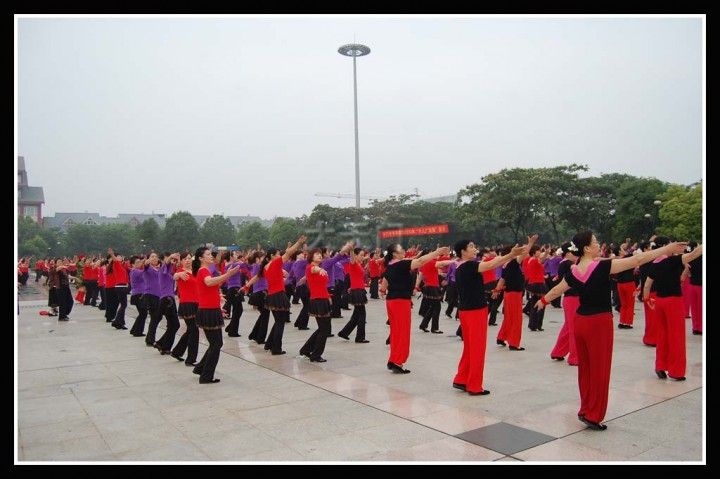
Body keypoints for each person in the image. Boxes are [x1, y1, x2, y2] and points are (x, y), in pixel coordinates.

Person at [537, 231, 688, 431]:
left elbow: (558, 290)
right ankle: (593, 415)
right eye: (595, 242)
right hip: (599, 323)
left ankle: (585, 409)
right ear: (586, 248)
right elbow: (638, 259)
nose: (598, 244)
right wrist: (666, 249)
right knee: (599, 369)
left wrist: (542, 301)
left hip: (581, 321)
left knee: (586, 369)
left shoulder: (574, 271)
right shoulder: (603, 266)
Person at [452, 240, 528, 395]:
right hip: (475, 312)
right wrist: (511, 254)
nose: (475, 249)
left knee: (470, 348)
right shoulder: (469, 266)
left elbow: (493, 263)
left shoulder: (459, 266)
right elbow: (493, 264)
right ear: (463, 251)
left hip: (466, 311)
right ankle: (474, 386)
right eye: (471, 247)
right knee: (477, 349)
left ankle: (461, 379)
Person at [381, 244, 451, 374]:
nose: (403, 250)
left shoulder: (390, 265)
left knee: (396, 331)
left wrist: (382, 290)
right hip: (400, 301)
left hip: (392, 301)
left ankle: (393, 359)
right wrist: (437, 252)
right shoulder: (400, 264)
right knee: (402, 332)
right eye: (400, 249)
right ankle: (398, 361)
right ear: (394, 254)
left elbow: (385, 281)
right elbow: (420, 261)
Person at [642, 237, 703, 381]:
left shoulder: (655, 263)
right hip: (674, 302)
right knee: (676, 336)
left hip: (660, 302)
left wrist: (647, 300)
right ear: (665, 246)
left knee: (662, 334)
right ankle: (676, 371)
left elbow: (647, 285)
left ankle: (660, 366)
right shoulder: (673, 260)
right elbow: (693, 255)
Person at [243, 236, 307, 355]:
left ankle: (269, 344)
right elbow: (288, 253)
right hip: (278, 295)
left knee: (278, 321)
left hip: (271, 296)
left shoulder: (265, 267)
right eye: (278, 254)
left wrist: (246, 286)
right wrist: (298, 243)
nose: (279, 256)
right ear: (272, 256)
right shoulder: (275, 263)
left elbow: (256, 277)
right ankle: (276, 348)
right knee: (280, 323)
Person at [192, 247, 241, 384]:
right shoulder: (203, 270)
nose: (211, 256)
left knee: (215, 343)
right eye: (208, 254)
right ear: (201, 258)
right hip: (208, 310)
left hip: (211, 309)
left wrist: (218, 296)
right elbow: (209, 282)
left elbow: (209, 286)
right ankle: (206, 376)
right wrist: (228, 274)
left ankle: (201, 369)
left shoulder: (205, 270)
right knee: (216, 344)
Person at [300, 242, 353, 362]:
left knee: (322, 328)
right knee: (324, 329)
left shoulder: (322, 266)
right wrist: (319, 269)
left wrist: (328, 296)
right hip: (318, 301)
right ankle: (315, 355)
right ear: (311, 257)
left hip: (323, 299)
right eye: (316, 254)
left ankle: (306, 349)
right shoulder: (311, 267)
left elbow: (337, 257)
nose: (319, 255)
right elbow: (313, 269)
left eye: (320, 254)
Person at [549, 242, 580, 364]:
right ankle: (574, 357)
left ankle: (558, 352)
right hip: (572, 298)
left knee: (568, 327)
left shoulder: (564, 263)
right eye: (574, 252)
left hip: (570, 298)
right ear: (567, 253)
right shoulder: (568, 264)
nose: (576, 254)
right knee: (574, 329)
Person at [338, 247, 373, 343]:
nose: (362, 257)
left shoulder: (358, 264)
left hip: (357, 289)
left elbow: (356, 277)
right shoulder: (353, 263)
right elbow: (352, 258)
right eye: (361, 255)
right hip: (357, 291)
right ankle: (360, 337)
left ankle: (344, 332)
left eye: (363, 255)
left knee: (356, 315)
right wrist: (351, 250)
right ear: (355, 255)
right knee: (362, 315)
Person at [171, 252, 200, 366]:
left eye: (189, 258)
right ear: (181, 261)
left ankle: (177, 351)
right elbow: (174, 276)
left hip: (197, 303)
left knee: (191, 330)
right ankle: (190, 359)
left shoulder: (195, 272)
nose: (187, 260)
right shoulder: (180, 271)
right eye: (185, 259)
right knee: (194, 330)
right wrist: (178, 274)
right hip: (187, 304)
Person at [128, 256, 149, 337]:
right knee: (143, 313)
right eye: (137, 262)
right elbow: (145, 271)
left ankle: (135, 330)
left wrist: (143, 261)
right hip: (139, 295)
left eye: (139, 262)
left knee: (142, 313)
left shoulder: (134, 271)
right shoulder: (135, 271)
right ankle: (137, 331)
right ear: (132, 264)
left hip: (139, 294)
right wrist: (146, 262)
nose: (139, 264)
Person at [685, 242, 702, 335]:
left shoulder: (690, 257)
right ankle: (701, 327)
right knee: (701, 307)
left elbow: (688, 272)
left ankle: (695, 327)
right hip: (701, 286)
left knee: (694, 307)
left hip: (692, 284)